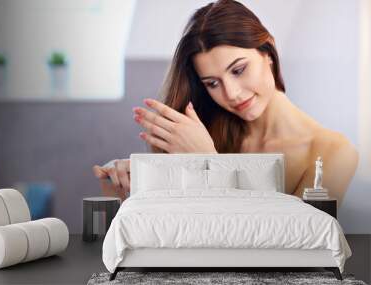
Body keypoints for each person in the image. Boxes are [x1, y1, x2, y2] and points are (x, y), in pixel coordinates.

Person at [92, 0, 358, 207]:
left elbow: (298, 245)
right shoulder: (205, 132)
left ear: (268, 53)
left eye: (239, 70)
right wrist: (131, 180)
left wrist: (209, 163)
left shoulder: (333, 152)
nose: (231, 94)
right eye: (212, 83)